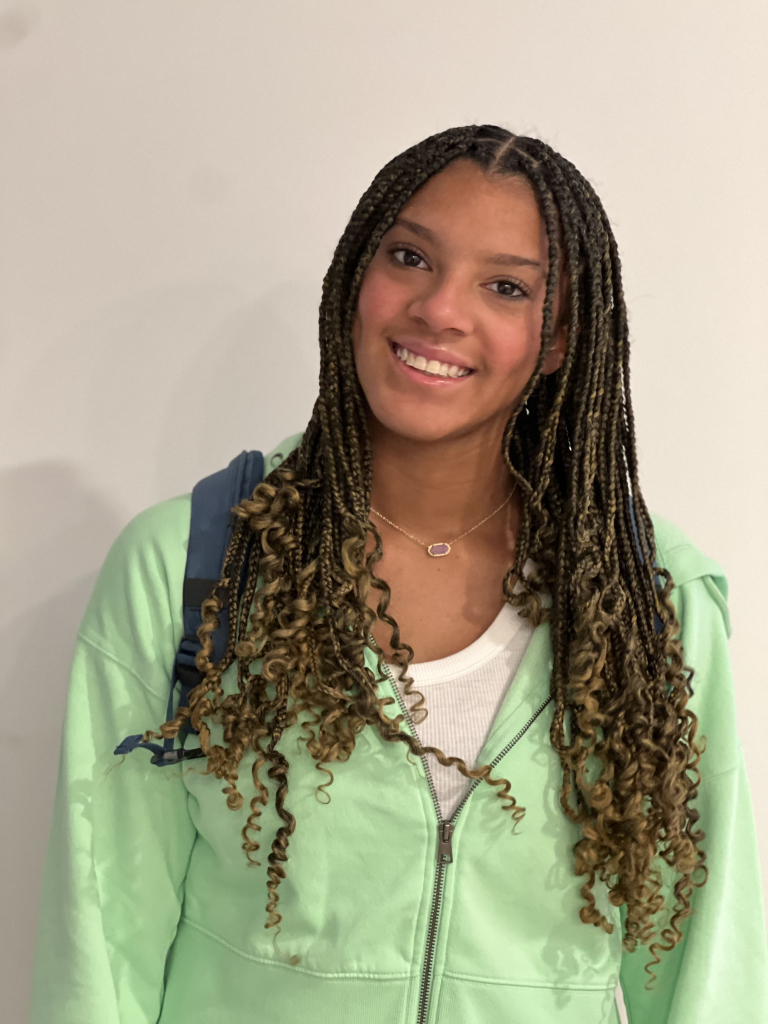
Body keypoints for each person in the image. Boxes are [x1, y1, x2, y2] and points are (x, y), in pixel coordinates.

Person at [31, 125, 768, 1024]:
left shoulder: (648, 603)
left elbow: (705, 966)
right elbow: (101, 941)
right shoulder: (196, 567)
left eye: (506, 286)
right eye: (411, 257)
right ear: (356, 277)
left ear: (560, 339)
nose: (440, 309)